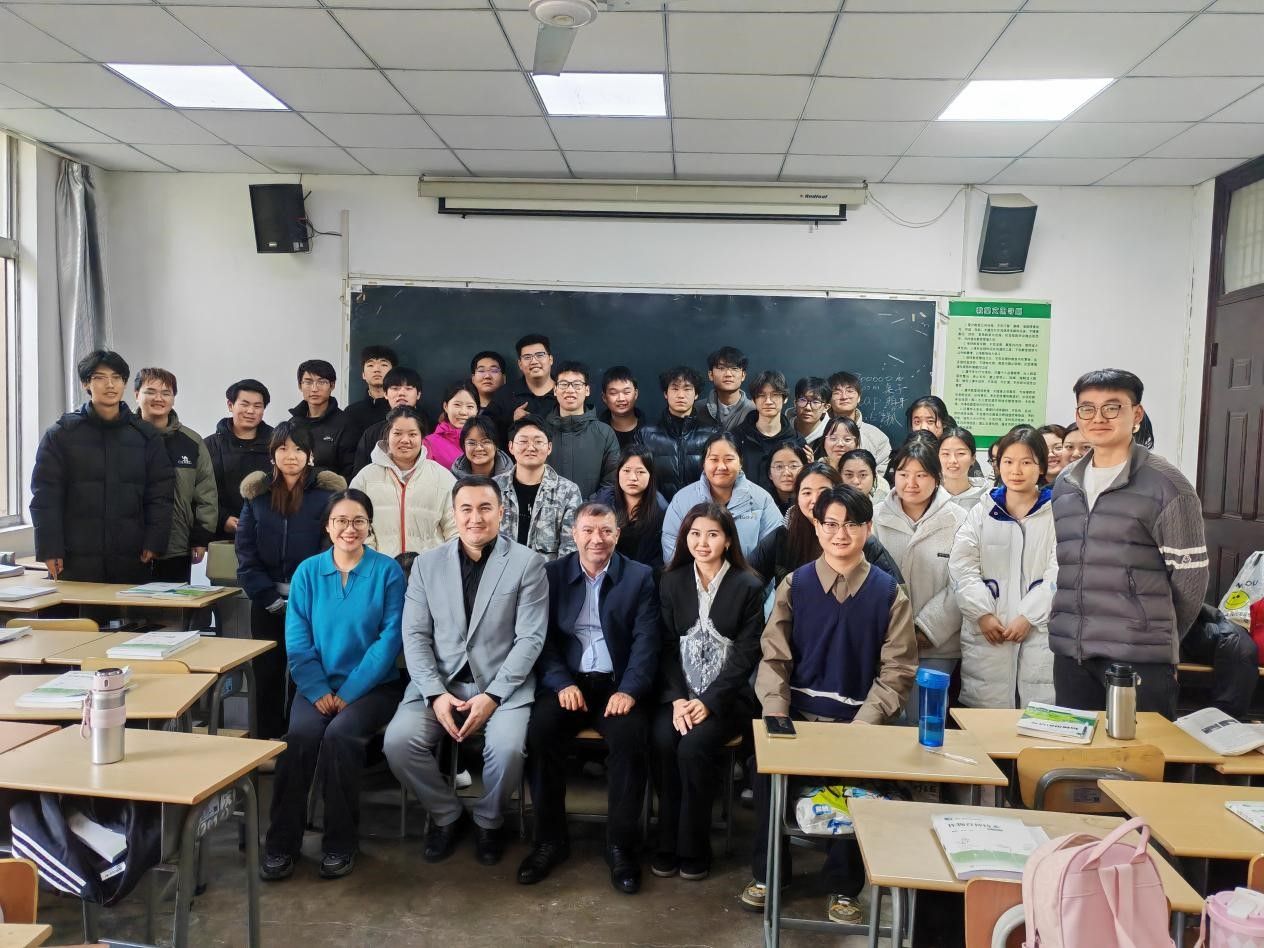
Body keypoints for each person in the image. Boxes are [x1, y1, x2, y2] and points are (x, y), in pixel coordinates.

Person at [742, 485, 916, 923]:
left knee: (858, 784)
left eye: (852, 524)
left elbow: (897, 671)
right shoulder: (795, 585)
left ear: (868, 529)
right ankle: (770, 873)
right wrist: (776, 712)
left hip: (859, 723)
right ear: (817, 528)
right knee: (764, 772)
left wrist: (863, 725)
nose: (841, 534)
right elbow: (774, 657)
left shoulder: (888, 593)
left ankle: (843, 886)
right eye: (831, 524)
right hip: (797, 719)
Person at [383, 476, 547, 867]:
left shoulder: (527, 563)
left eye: (485, 508)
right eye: (466, 509)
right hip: (440, 682)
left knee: (507, 750)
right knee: (398, 743)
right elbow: (415, 636)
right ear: (454, 514)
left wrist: (492, 697)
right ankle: (447, 814)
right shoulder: (426, 565)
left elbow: (530, 639)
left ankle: (489, 820)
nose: (476, 518)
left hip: (502, 685)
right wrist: (435, 694)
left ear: (502, 512)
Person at [260, 489, 405, 882]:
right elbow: (297, 640)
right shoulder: (308, 572)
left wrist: (348, 693)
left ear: (369, 525)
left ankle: (340, 843)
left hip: (372, 688)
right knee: (299, 738)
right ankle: (280, 843)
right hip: (317, 686)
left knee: (340, 737)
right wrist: (319, 689)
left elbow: (389, 640)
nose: (349, 529)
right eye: (341, 520)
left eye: (358, 520)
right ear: (327, 526)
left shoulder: (388, 572)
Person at [1049, 369, 1208, 718]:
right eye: (1087, 408)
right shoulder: (1065, 483)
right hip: (1072, 653)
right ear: (1077, 415)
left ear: (1136, 414)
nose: (1098, 418)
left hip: (1139, 656)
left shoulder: (1167, 485)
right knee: (1076, 750)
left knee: (1139, 749)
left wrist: (1158, 635)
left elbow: (1191, 578)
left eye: (1112, 407)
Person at [519, 503, 659, 893]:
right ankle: (549, 841)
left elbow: (646, 642)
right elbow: (542, 639)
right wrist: (560, 682)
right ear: (574, 534)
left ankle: (621, 846)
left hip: (617, 685)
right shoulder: (551, 575)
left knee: (630, 740)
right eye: (588, 531)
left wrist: (629, 689)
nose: (597, 539)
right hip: (569, 684)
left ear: (617, 534)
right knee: (541, 732)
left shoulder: (640, 577)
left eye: (606, 531)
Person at [653, 503, 764, 882]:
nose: (702, 542)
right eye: (695, 534)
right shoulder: (671, 581)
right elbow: (665, 647)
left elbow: (747, 654)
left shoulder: (748, 585)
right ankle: (666, 841)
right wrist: (678, 699)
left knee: (693, 747)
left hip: (727, 700)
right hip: (678, 697)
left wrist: (708, 701)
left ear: (728, 540)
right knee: (663, 740)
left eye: (712, 534)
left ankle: (694, 847)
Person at [236, 423, 346, 739]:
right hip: (266, 601)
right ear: (272, 455)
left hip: (311, 603)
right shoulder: (257, 496)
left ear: (310, 456)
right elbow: (245, 552)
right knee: (266, 672)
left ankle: (296, 740)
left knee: (305, 674)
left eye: (299, 449)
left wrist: (304, 598)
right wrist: (267, 597)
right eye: (283, 448)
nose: (291, 455)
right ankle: (265, 741)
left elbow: (331, 551)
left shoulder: (327, 497)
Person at [31, 350, 174, 584]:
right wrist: (49, 548)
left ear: (125, 383)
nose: (110, 385)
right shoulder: (61, 435)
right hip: (74, 556)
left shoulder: (145, 435)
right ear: (85, 383)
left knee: (130, 609)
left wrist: (154, 541)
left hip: (132, 555)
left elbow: (160, 493)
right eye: (100, 377)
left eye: (117, 378)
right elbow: (45, 496)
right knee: (74, 609)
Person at [950, 427, 1057, 709]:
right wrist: (982, 613)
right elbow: (962, 567)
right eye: (1008, 461)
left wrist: (1029, 616)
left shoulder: (1056, 514)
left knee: (1037, 718)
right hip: (988, 636)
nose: (1016, 470)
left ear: (1041, 467)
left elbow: (1060, 572)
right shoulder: (982, 511)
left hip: (1039, 634)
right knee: (986, 724)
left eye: (1026, 462)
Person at [873, 439, 966, 720]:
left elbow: (962, 582)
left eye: (921, 475)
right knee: (882, 721)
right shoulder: (875, 517)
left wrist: (925, 629)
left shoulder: (960, 519)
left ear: (936, 478)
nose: (910, 483)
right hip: (883, 644)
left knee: (922, 722)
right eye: (903, 474)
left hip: (937, 646)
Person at [748, 461, 904, 591]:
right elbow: (746, 580)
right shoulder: (783, 536)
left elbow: (896, 591)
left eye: (823, 492)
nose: (815, 500)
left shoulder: (860, 538)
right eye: (807, 493)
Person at [133, 367, 217, 583]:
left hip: (177, 545)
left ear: (173, 398)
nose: (159, 398)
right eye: (150, 392)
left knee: (173, 602)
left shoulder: (191, 441)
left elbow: (206, 494)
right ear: (136, 395)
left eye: (166, 393)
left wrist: (200, 538)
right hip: (129, 544)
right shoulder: (124, 437)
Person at [350, 407, 457, 558]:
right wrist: (373, 561)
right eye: (397, 433)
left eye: (412, 434)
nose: (405, 440)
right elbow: (354, 523)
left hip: (430, 568)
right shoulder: (365, 478)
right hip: (380, 568)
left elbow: (455, 529)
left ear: (422, 437)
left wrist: (442, 562)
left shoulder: (442, 477)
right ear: (387, 435)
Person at [661, 432, 782, 562]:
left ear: (740, 462)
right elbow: (672, 548)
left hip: (749, 574)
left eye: (729, 459)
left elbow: (774, 548)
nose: (721, 466)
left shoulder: (762, 499)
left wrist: (745, 575)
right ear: (703, 463)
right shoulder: (682, 500)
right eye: (714, 459)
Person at [494, 415, 583, 562]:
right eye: (523, 441)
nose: (531, 447)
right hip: (501, 573)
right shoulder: (493, 488)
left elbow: (570, 549)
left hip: (547, 574)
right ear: (511, 446)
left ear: (549, 447)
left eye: (538, 441)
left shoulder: (568, 491)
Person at [633, 366, 717, 500]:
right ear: (665, 394)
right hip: (658, 510)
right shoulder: (645, 435)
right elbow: (637, 477)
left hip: (701, 509)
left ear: (696, 394)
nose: (681, 395)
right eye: (675, 389)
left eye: (687, 389)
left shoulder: (712, 434)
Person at [205, 379, 274, 540]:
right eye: (244, 404)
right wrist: (223, 519)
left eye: (257, 406)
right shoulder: (209, 446)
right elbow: (200, 492)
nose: (250, 411)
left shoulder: (277, 445)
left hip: (268, 532)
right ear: (230, 405)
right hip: (221, 535)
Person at [544, 361, 620, 499]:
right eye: (564, 384)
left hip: (591, 511)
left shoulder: (604, 433)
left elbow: (611, 482)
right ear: (555, 390)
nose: (570, 390)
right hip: (548, 510)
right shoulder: (540, 432)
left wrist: (587, 507)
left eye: (577, 384)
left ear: (587, 390)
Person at [593, 445, 668, 573]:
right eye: (626, 470)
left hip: (644, 576)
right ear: (618, 473)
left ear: (650, 475)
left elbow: (659, 558)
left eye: (640, 472)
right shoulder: (603, 502)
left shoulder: (661, 509)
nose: (633, 477)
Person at [733, 370, 803, 495]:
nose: (768, 401)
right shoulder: (737, 437)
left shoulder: (797, 441)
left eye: (775, 395)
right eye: (761, 395)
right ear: (753, 400)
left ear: (785, 398)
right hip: (745, 504)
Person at [290, 359, 355, 478]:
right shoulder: (293, 423)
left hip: (331, 488)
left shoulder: (346, 424)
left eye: (322, 382)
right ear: (300, 385)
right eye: (308, 382)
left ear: (332, 385)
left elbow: (349, 471)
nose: (314, 388)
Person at [353, 367, 425, 474]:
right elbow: (360, 473)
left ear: (418, 394)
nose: (401, 393)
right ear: (385, 394)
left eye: (408, 388)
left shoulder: (432, 428)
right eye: (395, 388)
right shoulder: (372, 433)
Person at [490, 333, 556, 432]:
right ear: (520, 364)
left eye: (540, 355)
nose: (534, 361)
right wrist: (512, 421)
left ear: (550, 359)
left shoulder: (566, 391)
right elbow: (486, 429)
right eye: (527, 357)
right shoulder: (505, 394)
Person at [827, 371, 891, 471]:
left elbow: (880, 475)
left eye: (850, 391)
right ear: (828, 399)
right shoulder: (819, 433)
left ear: (859, 397)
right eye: (837, 392)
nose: (844, 397)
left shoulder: (877, 438)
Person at [341, 345, 398, 449]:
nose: (376, 369)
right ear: (363, 374)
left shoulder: (402, 411)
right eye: (370, 365)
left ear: (394, 372)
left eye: (384, 364)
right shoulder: (351, 412)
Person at [424, 381, 479, 471]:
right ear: (446, 406)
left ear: (477, 410)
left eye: (470, 406)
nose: (463, 412)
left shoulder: (485, 440)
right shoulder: (429, 443)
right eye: (457, 405)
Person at [702, 346, 754, 432]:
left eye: (734, 368)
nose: (728, 374)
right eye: (721, 368)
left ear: (743, 375)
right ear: (711, 375)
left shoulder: (754, 411)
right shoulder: (698, 409)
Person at [939, 426, 988, 511]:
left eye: (960, 453)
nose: (952, 460)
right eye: (946, 454)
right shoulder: (928, 495)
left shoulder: (987, 498)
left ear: (973, 458)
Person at [599, 365, 645, 449]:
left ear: (636, 394)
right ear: (604, 397)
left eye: (626, 392)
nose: (621, 398)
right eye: (613, 393)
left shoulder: (650, 431)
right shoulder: (596, 432)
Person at [764, 445, 809, 514]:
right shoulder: (761, 502)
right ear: (770, 473)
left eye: (793, 466)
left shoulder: (812, 502)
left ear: (805, 470)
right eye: (779, 466)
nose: (786, 473)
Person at [788, 376, 830, 446]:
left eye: (815, 402)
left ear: (826, 407)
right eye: (802, 400)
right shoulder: (782, 427)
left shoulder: (832, 433)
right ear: (795, 403)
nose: (808, 408)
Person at [470, 350, 507, 415]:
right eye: (481, 371)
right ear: (473, 379)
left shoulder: (511, 410)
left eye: (494, 371)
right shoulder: (465, 411)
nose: (487, 376)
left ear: (504, 379)